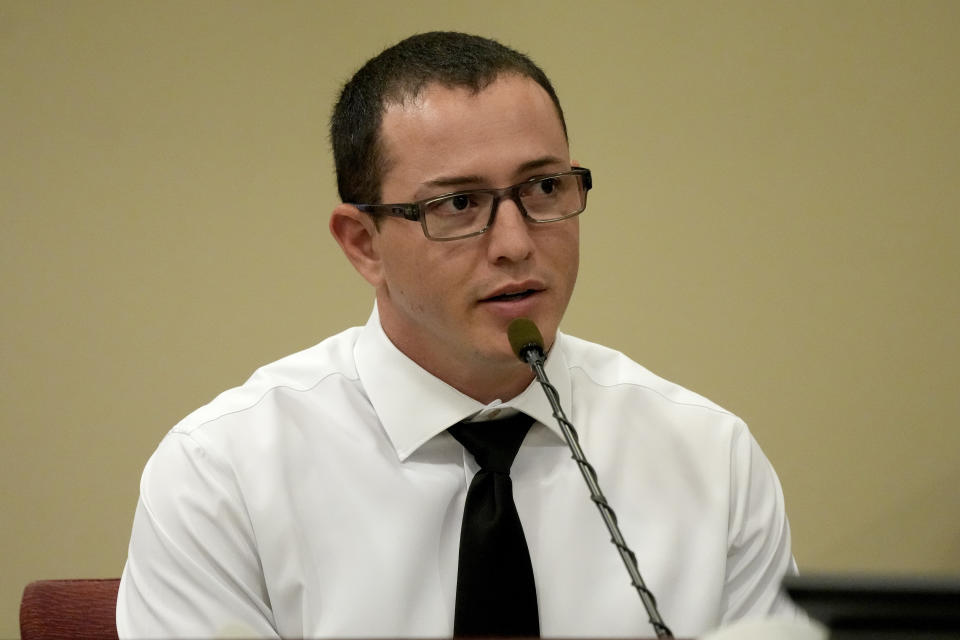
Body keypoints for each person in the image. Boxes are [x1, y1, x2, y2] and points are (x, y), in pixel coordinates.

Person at [117, 31, 800, 639]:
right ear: (364, 244)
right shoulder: (221, 474)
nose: (515, 243)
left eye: (544, 189)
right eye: (459, 204)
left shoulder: (711, 461)